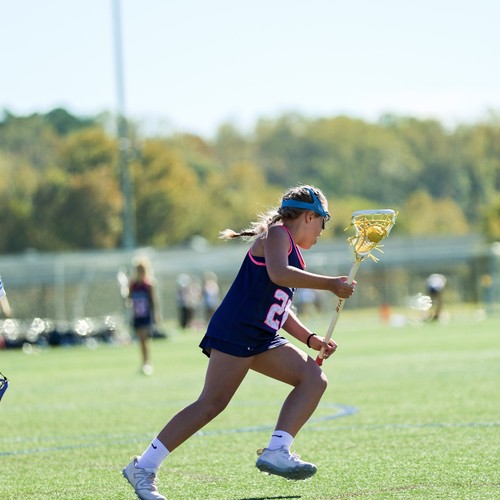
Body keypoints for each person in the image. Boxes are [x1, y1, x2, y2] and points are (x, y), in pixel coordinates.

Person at [122, 185, 356, 500]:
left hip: (262, 336)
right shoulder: (278, 235)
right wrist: (330, 284)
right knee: (211, 404)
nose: (322, 231)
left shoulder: (293, 251)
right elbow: (279, 274)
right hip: (238, 330)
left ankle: (277, 450)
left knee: (313, 379)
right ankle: (144, 466)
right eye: (323, 221)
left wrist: (310, 338)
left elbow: (281, 308)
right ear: (309, 216)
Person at [128, 258, 160, 375]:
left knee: (145, 339)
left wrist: (156, 314)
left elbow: (153, 301)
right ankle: (143, 362)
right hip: (137, 315)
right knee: (140, 340)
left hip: (146, 315)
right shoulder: (133, 284)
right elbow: (128, 299)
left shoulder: (148, 284)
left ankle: (147, 363)